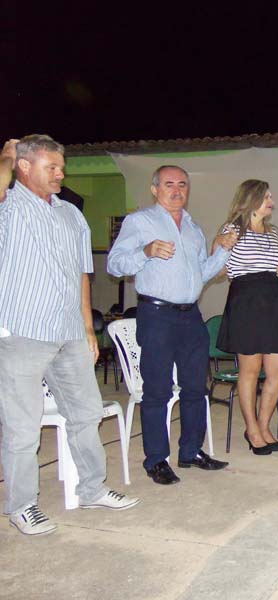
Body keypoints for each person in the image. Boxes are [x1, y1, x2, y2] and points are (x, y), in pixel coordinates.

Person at [1, 135, 139, 536]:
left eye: (62, 167)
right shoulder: (9, 206)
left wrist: (87, 329)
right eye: (52, 167)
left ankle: (91, 489)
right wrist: (5, 157)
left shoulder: (70, 215)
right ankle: (22, 507)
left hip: (68, 333)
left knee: (86, 413)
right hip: (21, 333)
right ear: (24, 167)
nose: (61, 173)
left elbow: (82, 274)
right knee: (22, 427)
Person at [108, 165, 237, 484]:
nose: (177, 190)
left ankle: (191, 451)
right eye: (169, 184)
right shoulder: (140, 221)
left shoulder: (193, 227)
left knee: (196, 387)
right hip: (156, 315)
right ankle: (156, 460)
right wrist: (146, 251)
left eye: (182, 184)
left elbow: (202, 274)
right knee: (158, 389)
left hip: (191, 315)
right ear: (155, 189)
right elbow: (115, 264)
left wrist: (223, 250)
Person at [214, 180, 278, 454]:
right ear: (252, 199)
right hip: (246, 302)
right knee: (250, 370)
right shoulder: (232, 229)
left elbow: (275, 271)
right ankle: (252, 429)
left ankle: (263, 425)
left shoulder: (272, 233)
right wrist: (218, 245)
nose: (272, 201)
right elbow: (218, 269)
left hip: (272, 301)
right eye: (266, 196)